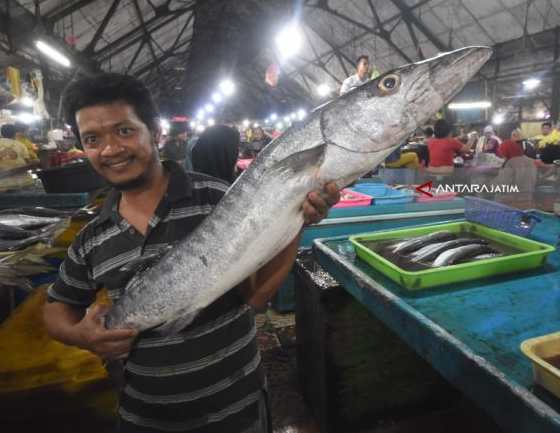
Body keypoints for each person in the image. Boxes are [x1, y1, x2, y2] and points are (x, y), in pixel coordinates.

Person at [42, 73, 340, 433]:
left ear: (155, 131)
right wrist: (82, 336)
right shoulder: (91, 238)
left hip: (237, 411)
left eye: (124, 131)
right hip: (145, 419)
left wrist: (297, 219)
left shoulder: (220, 199)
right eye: (93, 139)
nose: (111, 149)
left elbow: (258, 294)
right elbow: (56, 307)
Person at [489, 139, 538, 208]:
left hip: (510, 204)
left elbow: (501, 185)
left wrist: (491, 184)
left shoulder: (510, 163)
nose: (503, 157)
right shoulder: (531, 162)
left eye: (503, 154)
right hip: (528, 202)